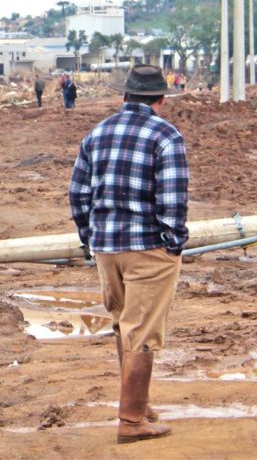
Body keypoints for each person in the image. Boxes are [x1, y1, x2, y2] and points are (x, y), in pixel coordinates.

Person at [68, 65, 188, 444]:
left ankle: (140, 404)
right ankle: (132, 421)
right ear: (161, 99)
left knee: (124, 325)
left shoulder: (97, 133)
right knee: (143, 333)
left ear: (125, 96)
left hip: (106, 247)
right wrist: (173, 242)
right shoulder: (166, 135)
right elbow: (172, 200)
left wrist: (90, 237)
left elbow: (78, 193)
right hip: (148, 248)